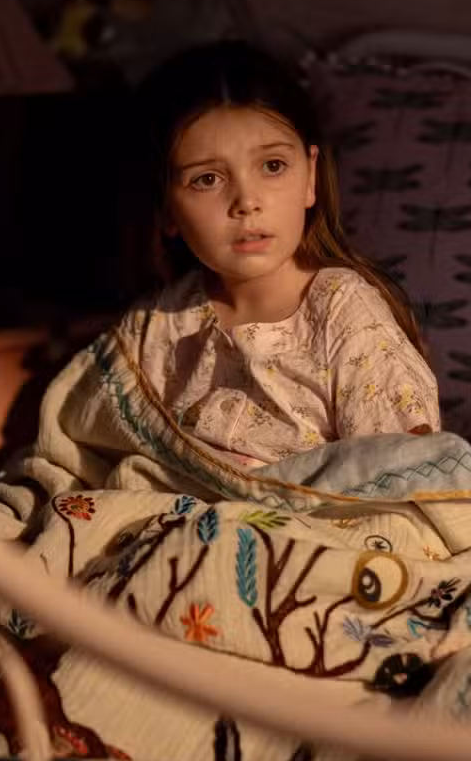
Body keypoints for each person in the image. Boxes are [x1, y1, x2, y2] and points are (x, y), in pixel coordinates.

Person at [121, 40, 440, 469]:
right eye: (207, 179)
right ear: (166, 211)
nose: (246, 202)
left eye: (272, 166)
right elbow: (97, 440)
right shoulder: (157, 321)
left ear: (310, 177)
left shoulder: (345, 313)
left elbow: (404, 474)